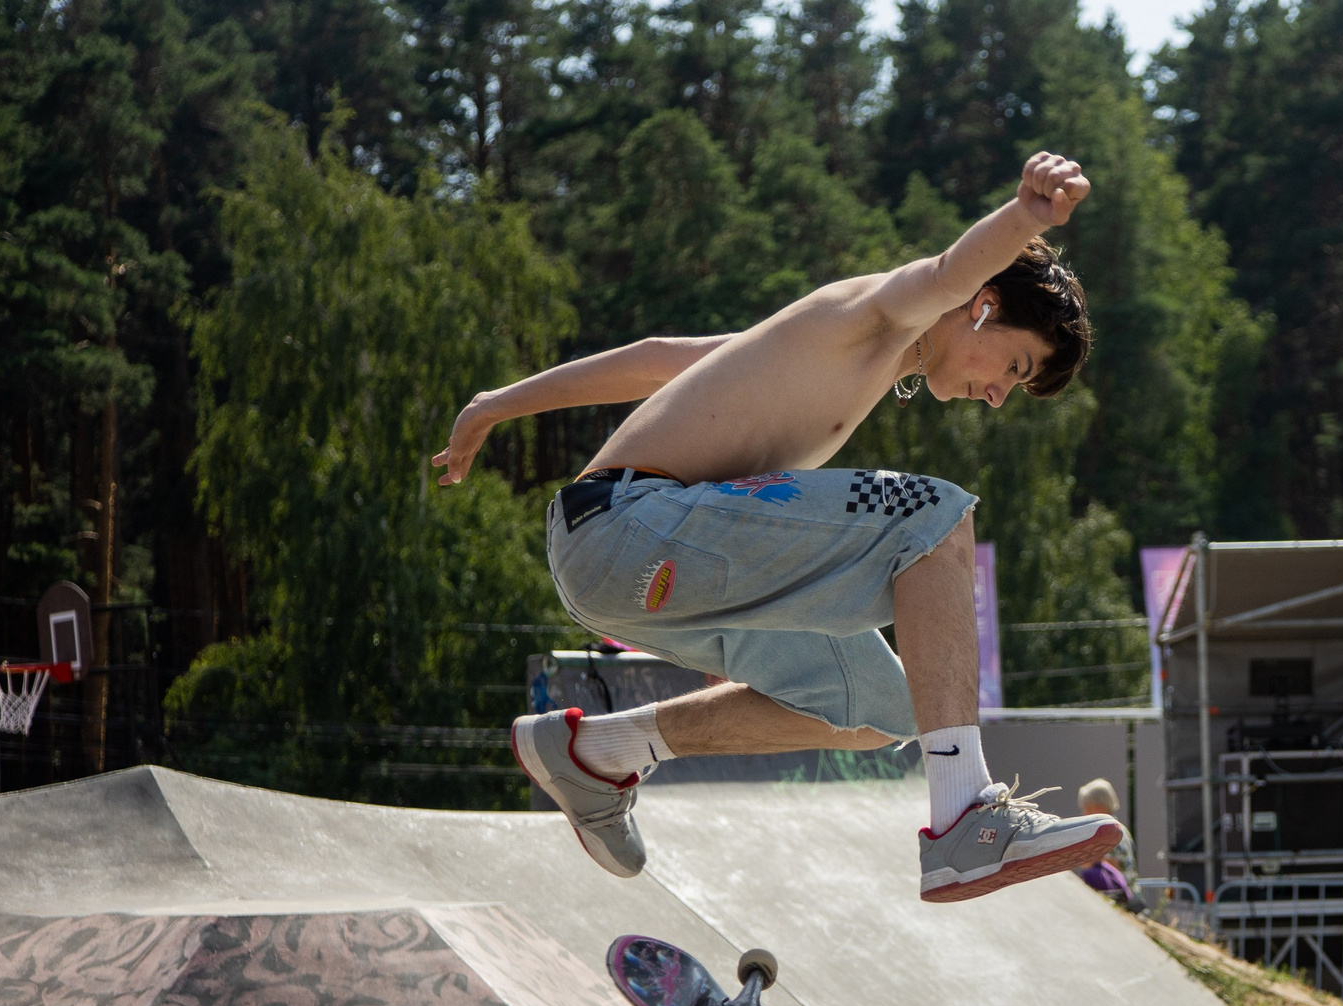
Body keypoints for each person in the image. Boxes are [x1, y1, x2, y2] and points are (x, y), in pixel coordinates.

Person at [434, 151, 1118, 904]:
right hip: (626, 526)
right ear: (984, 307)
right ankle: (965, 814)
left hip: (632, 565)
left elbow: (659, 360)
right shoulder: (880, 315)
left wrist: (498, 403)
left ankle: (602, 748)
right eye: (1013, 368)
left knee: (881, 710)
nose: (995, 396)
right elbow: (952, 269)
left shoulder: (817, 351)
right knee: (937, 517)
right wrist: (1028, 215)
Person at [1073, 776, 1138, 908]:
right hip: (1132, 895)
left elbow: (1111, 869)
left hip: (1121, 900)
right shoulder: (1121, 828)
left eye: (1086, 808)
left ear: (1097, 807)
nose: (1083, 814)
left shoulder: (1108, 833)